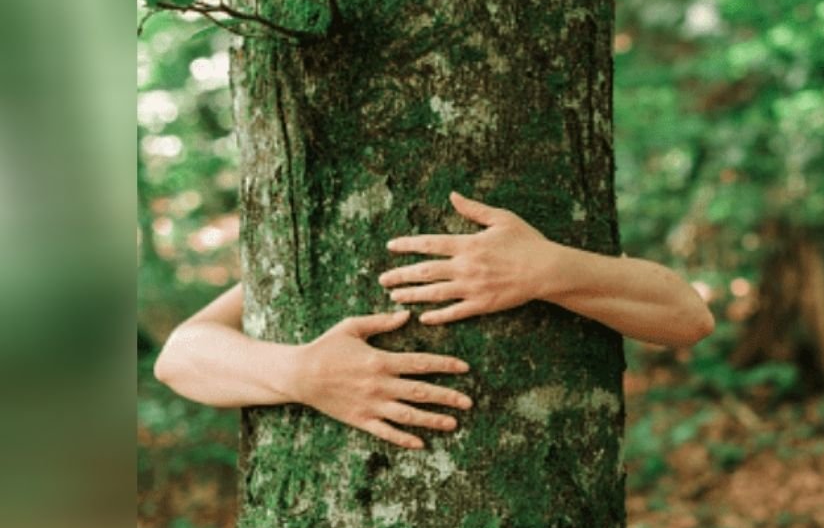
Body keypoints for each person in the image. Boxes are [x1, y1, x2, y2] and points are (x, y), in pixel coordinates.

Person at [155, 191, 714, 449]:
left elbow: (687, 316)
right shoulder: (310, 252)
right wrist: (302, 373)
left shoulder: (525, 231)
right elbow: (179, 358)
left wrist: (549, 268)